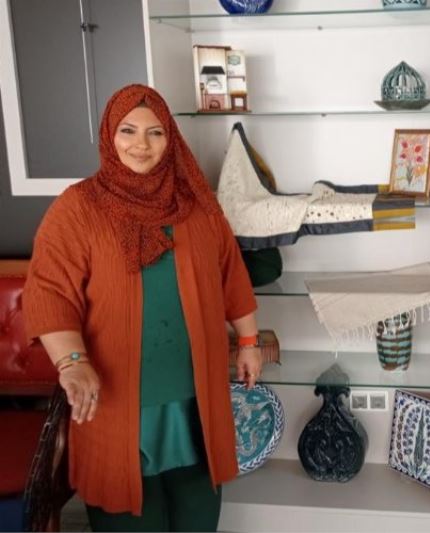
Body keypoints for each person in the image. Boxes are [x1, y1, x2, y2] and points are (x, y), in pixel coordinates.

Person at [22, 84, 262, 532]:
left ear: (171, 139)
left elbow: (230, 274)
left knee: (197, 511)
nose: (141, 144)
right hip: (115, 400)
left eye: (156, 132)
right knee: (128, 519)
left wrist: (248, 340)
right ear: (109, 135)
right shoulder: (78, 208)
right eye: (128, 130)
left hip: (194, 396)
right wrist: (72, 361)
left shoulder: (197, 205)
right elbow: (51, 292)